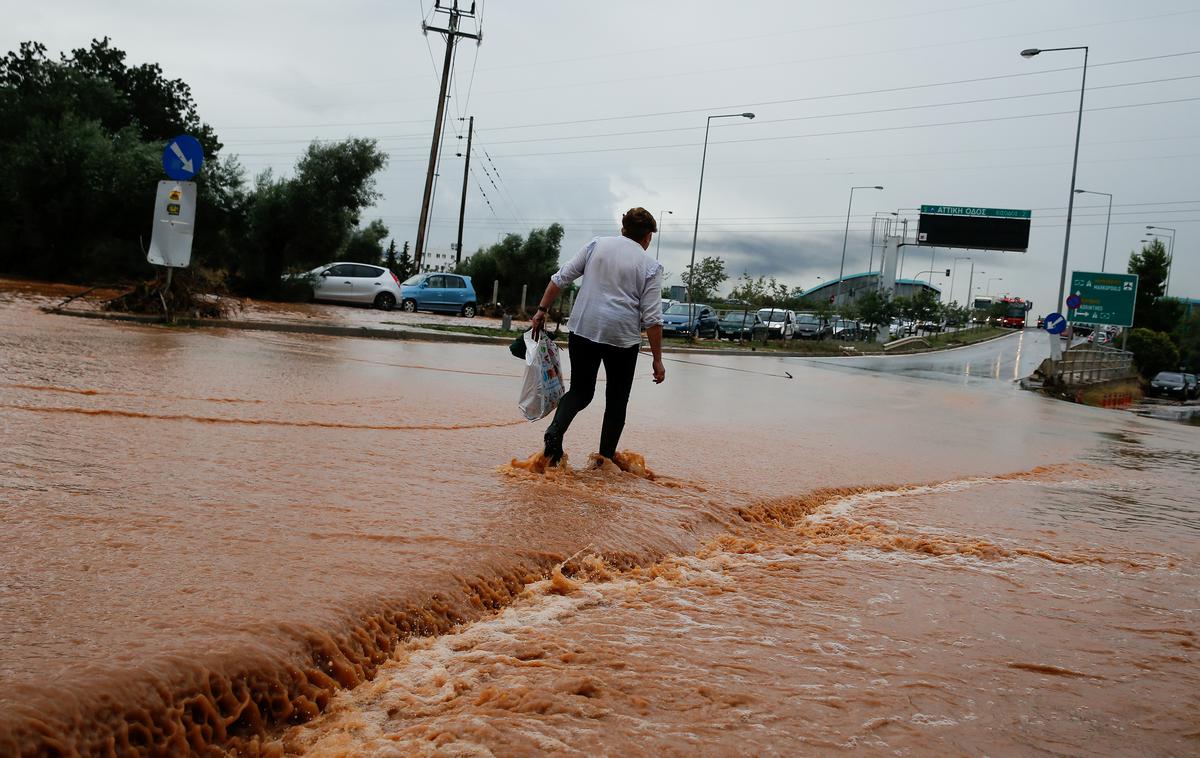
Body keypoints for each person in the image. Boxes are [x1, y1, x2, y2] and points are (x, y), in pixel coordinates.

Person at [530, 207, 666, 465]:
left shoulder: (596, 245)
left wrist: (541, 310)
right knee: (616, 401)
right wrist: (657, 360)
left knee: (580, 391)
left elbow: (562, 277)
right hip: (622, 339)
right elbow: (653, 318)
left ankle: (555, 432)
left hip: (584, 328)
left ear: (623, 229)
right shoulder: (651, 266)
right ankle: (603, 462)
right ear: (648, 236)